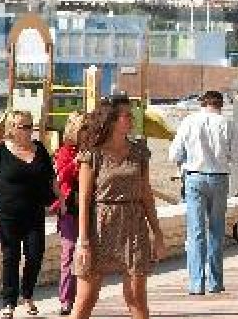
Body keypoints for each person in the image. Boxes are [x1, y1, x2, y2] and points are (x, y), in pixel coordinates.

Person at [70, 94, 167, 319]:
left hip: (133, 224)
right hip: (100, 225)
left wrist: (158, 234)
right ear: (112, 119)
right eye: (126, 115)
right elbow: (84, 200)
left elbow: (146, 194)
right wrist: (83, 241)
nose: (131, 119)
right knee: (86, 299)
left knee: (136, 298)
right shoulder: (92, 154)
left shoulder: (139, 152)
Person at [0, 110, 57, 319]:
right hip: (6, 213)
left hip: (34, 213)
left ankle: (28, 294)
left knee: (35, 254)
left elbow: (52, 178)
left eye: (30, 126)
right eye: (24, 126)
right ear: (12, 128)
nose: (28, 130)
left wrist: (62, 201)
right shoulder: (0, 151)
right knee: (10, 257)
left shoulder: (40, 149)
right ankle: (9, 303)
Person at [168, 89, 235, 295]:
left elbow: (174, 154)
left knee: (196, 231)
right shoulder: (228, 124)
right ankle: (215, 282)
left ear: (202, 103)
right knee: (216, 230)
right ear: (220, 104)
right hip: (219, 177)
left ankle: (196, 284)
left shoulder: (189, 121)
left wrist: (185, 162)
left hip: (195, 177)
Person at [54, 112, 86, 316]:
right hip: (68, 207)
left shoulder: (91, 150)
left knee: (85, 254)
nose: (86, 132)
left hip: (86, 206)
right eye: (83, 128)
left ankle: (83, 297)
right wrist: (76, 162)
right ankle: (66, 299)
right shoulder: (65, 151)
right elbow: (60, 175)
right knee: (69, 252)